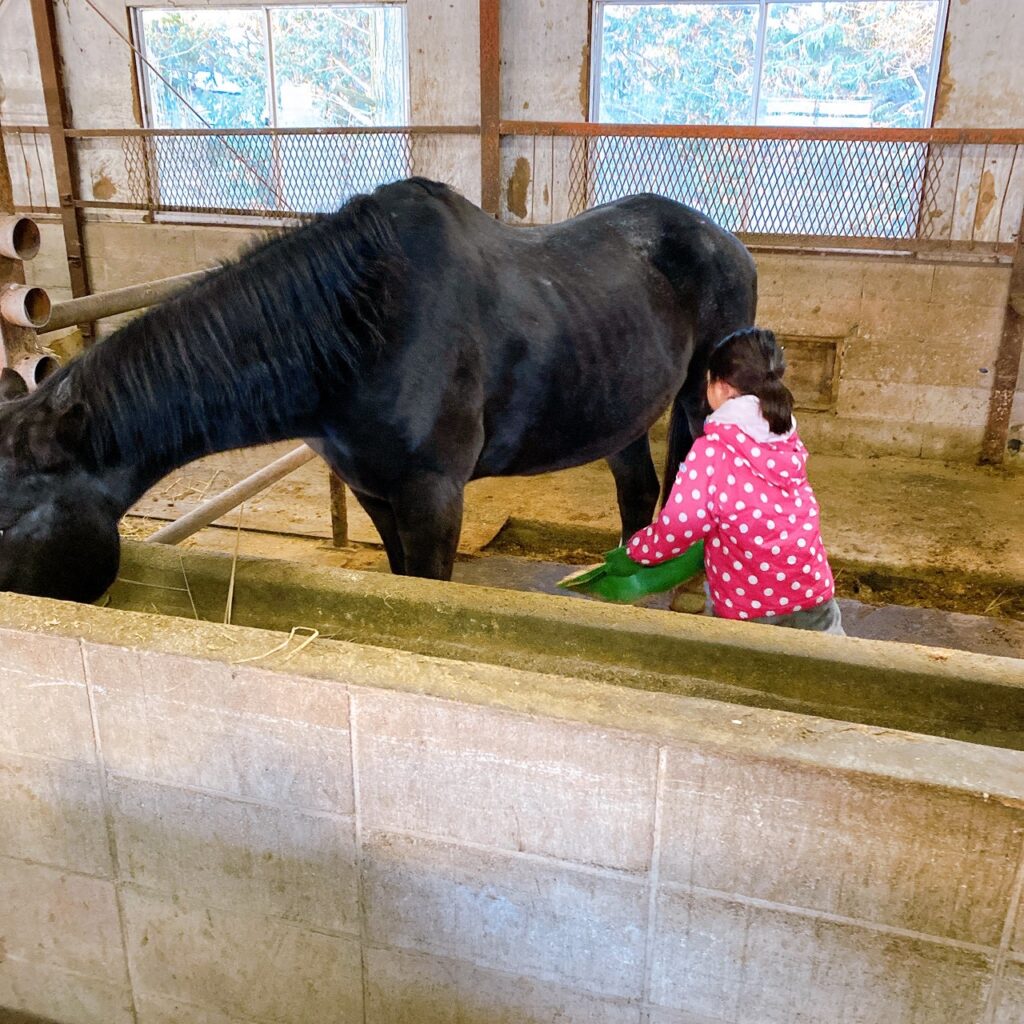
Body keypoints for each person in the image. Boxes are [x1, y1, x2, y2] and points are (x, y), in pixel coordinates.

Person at [626, 326, 844, 635]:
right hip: (813, 594)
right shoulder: (785, 435)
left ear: (723, 388)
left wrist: (638, 550)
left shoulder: (712, 450)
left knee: (744, 665)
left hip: (748, 606)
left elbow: (680, 525)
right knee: (830, 662)